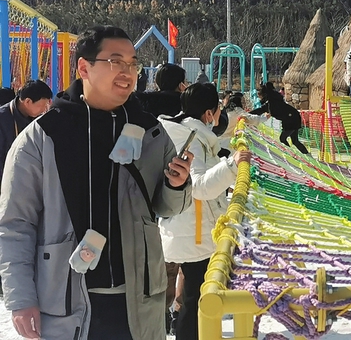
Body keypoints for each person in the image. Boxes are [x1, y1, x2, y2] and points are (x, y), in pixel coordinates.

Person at [0, 25, 193, 340]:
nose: (127, 72)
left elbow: (167, 208)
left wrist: (177, 184)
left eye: (133, 63)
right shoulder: (44, 137)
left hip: (138, 302)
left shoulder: (151, 132)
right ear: (84, 68)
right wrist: (20, 298)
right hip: (65, 304)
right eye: (115, 61)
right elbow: (15, 225)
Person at [158, 83, 251, 340]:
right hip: (194, 231)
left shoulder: (187, 133)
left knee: (193, 294)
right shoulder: (191, 140)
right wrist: (232, 166)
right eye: (218, 109)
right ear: (209, 113)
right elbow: (198, 186)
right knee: (196, 298)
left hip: (190, 228)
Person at [0, 80, 52, 179]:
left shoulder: (37, 119)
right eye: (41, 106)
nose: (43, 110)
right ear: (28, 101)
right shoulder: (3, 119)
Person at [249, 82, 309, 154]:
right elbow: (261, 110)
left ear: (264, 94)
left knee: (283, 139)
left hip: (291, 119)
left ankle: (289, 154)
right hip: (293, 116)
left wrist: (248, 115)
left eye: (260, 96)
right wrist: (248, 114)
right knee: (294, 141)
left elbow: (261, 110)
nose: (260, 98)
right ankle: (306, 153)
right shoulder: (273, 100)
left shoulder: (272, 103)